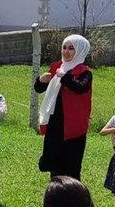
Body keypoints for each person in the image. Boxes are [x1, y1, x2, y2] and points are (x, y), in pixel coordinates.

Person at [35, 34, 93, 179]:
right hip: (55, 122)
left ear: (80, 51)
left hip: (73, 125)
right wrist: (41, 80)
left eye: (71, 49)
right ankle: (55, 194)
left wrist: (65, 77)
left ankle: (73, 196)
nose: (66, 52)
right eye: (64, 48)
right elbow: (39, 89)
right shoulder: (57, 66)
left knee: (71, 165)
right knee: (54, 162)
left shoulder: (84, 72)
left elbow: (81, 88)